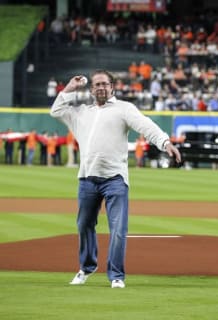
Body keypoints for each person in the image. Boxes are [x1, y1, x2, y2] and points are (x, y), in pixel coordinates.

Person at [50, 70, 181, 289]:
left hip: (115, 179)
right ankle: (86, 268)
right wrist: (69, 88)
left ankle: (117, 275)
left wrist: (165, 142)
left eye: (104, 84)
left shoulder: (124, 109)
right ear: (91, 89)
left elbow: (145, 126)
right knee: (84, 225)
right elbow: (56, 110)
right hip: (87, 178)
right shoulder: (82, 112)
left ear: (112, 86)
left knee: (118, 229)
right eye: (96, 85)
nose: (100, 87)